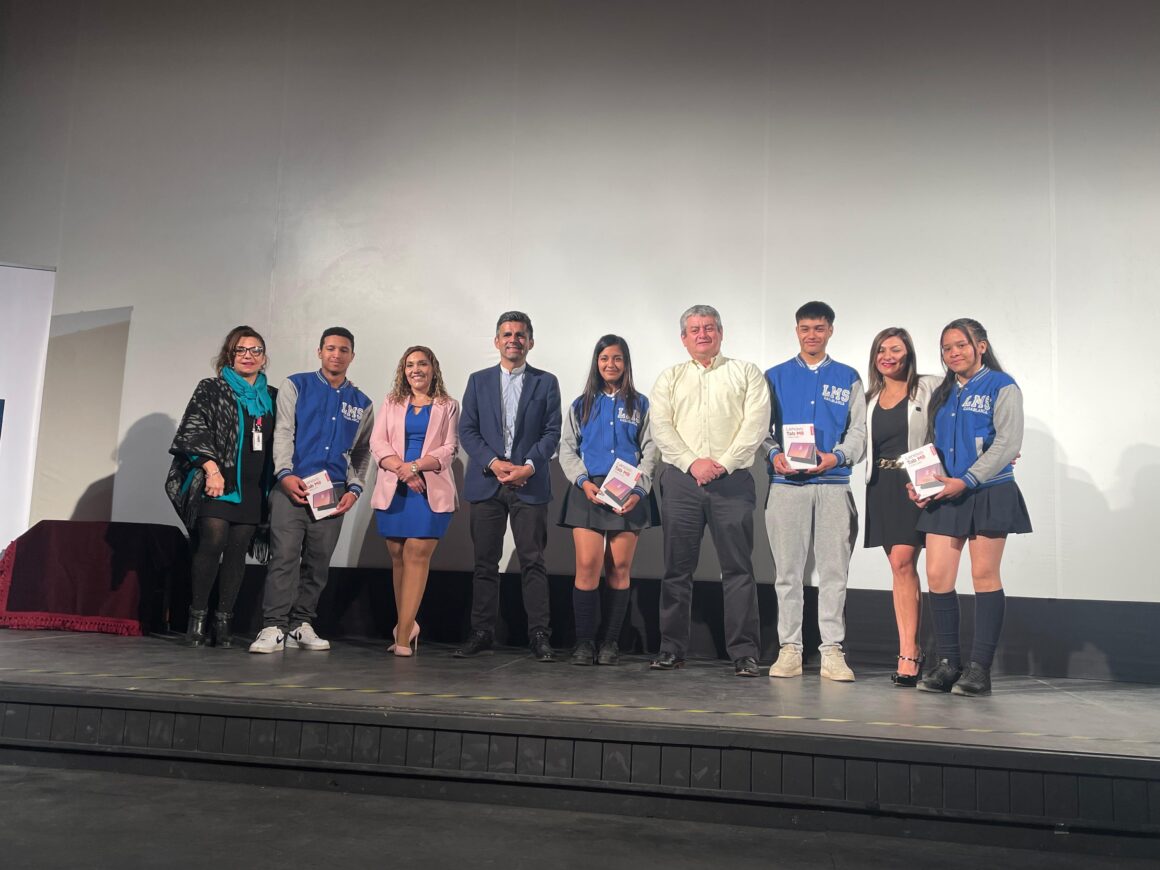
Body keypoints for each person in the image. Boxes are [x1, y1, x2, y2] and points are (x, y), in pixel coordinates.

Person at [648, 305, 769, 677]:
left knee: (738, 569)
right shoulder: (669, 378)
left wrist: (723, 463)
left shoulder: (746, 373)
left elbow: (756, 425)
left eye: (710, 328)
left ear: (721, 333)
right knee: (676, 569)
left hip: (731, 481)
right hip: (682, 480)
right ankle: (671, 648)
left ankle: (744, 653)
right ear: (683, 338)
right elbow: (661, 428)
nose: (703, 334)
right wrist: (692, 463)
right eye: (695, 329)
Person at [912, 318, 1031, 697]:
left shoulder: (1003, 386)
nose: (954, 353)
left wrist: (966, 480)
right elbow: (931, 445)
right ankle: (948, 663)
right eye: (947, 348)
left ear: (981, 345)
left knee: (983, 575)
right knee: (938, 576)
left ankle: (979, 669)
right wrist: (922, 483)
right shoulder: (943, 393)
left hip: (988, 491)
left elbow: (1007, 444)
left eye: (961, 345)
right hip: (946, 493)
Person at [248, 327, 374, 654]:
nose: (336, 354)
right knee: (285, 558)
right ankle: (273, 626)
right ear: (320, 352)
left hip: (331, 492)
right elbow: (284, 432)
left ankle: (301, 624)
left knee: (318, 563)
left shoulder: (362, 403)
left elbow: (362, 452)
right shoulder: (296, 385)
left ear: (352, 356)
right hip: (291, 486)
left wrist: (355, 488)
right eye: (330, 348)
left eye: (343, 350)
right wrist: (285, 474)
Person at [764, 301, 866, 682]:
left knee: (834, 573)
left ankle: (832, 651)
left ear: (830, 331)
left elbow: (859, 432)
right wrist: (773, 453)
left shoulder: (848, 376)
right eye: (805, 328)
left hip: (833, 486)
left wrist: (837, 457)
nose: (812, 334)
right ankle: (789, 647)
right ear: (796, 331)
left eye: (819, 328)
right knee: (787, 573)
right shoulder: (773, 376)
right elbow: (760, 428)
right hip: (787, 486)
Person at [455, 311, 562, 661]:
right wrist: (495, 463)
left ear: (530, 341)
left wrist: (528, 466)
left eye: (520, 334)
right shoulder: (477, 381)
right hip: (487, 482)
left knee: (533, 562)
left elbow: (551, 432)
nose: (513, 339)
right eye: (507, 334)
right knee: (485, 563)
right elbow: (467, 430)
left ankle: (540, 634)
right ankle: (482, 631)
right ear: (496, 341)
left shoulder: (546, 382)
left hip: (529, 483)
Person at [166, 326, 276, 648]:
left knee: (238, 550)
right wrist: (211, 470)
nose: (248, 356)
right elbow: (193, 429)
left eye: (255, 350)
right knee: (212, 541)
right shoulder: (212, 388)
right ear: (230, 355)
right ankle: (197, 618)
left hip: (255, 487)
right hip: (219, 482)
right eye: (241, 350)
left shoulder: (272, 397)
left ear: (264, 358)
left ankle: (223, 621)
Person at [558, 335, 659, 666]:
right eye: (604, 359)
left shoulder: (641, 404)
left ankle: (610, 642)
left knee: (619, 567)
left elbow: (650, 451)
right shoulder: (581, 404)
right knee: (587, 565)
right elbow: (567, 449)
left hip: (628, 492)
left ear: (626, 363)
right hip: (589, 491)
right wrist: (583, 482)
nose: (610, 364)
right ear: (596, 363)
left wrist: (639, 490)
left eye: (617, 358)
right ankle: (585, 642)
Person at [863, 327, 942, 686]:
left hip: (916, 482)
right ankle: (910, 647)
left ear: (908, 354)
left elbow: (965, 412)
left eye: (895, 349)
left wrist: (992, 444)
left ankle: (909, 653)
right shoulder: (868, 397)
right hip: (880, 485)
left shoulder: (930, 386)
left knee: (903, 561)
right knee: (899, 569)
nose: (888, 356)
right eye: (881, 350)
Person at [370, 345, 460, 657]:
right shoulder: (391, 402)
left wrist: (415, 467)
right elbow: (377, 442)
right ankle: (406, 624)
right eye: (409, 365)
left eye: (422, 364)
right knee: (397, 556)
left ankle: (404, 637)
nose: (415, 370)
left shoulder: (448, 405)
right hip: (395, 488)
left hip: (429, 490)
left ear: (433, 368)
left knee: (417, 554)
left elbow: (449, 449)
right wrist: (402, 470)